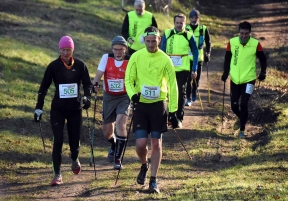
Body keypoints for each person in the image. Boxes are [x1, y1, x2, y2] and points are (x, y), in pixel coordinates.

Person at [125, 26, 179, 194]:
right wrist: (133, 94)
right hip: (141, 104)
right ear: (144, 40)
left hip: (158, 105)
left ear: (159, 40)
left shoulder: (165, 59)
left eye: (153, 41)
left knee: (156, 142)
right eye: (148, 41)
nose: (150, 44)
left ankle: (153, 180)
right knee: (141, 144)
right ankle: (144, 164)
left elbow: (172, 85)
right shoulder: (136, 56)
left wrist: (173, 110)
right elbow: (128, 79)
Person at [34, 36, 92, 186]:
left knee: (74, 141)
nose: (65, 52)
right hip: (58, 109)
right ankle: (57, 174)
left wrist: (86, 98)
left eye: (68, 49)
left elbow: (87, 85)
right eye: (63, 49)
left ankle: (74, 158)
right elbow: (43, 88)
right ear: (59, 50)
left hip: (75, 109)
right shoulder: (53, 66)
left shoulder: (80, 65)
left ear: (73, 50)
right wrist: (38, 108)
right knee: (58, 140)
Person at [221, 21, 267, 138]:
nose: (244, 36)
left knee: (244, 103)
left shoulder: (256, 44)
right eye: (242, 33)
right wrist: (226, 73)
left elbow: (263, 59)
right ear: (239, 32)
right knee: (234, 105)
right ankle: (242, 117)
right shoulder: (232, 42)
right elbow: (227, 59)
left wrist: (263, 72)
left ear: (250, 33)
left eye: (246, 34)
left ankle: (242, 130)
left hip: (249, 79)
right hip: (235, 79)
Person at [92, 36, 130, 170]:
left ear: (125, 49)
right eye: (115, 49)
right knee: (107, 132)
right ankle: (114, 145)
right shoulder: (106, 58)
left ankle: (118, 158)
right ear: (112, 49)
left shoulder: (130, 60)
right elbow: (98, 74)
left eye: (121, 49)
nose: (118, 52)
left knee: (121, 123)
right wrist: (95, 84)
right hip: (109, 96)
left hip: (124, 96)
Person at [160, 13, 199, 128]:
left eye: (181, 23)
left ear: (185, 23)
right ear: (174, 23)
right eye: (177, 23)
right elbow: (162, 50)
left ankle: (179, 118)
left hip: (183, 69)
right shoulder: (168, 33)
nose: (179, 25)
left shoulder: (189, 35)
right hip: (168, 69)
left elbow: (195, 52)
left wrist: (194, 69)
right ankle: (168, 117)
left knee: (180, 93)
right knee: (167, 92)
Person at [185, 9, 211, 106]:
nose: (193, 19)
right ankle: (188, 98)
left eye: (195, 17)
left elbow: (208, 43)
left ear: (198, 18)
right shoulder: (186, 28)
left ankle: (194, 91)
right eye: (192, 17)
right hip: (187, 58)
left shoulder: (203, 28)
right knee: (188, 79)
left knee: (196, 79)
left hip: (199, 58)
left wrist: (208, 53)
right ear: (189, 18)